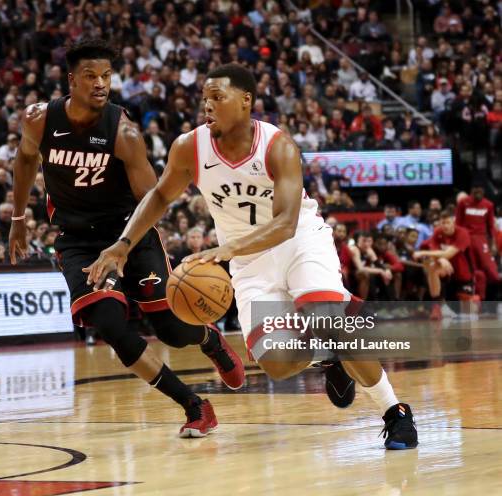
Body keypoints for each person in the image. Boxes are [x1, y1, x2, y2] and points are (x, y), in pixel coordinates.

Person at [90, 63, 418, 449]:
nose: (207, 106)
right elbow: (160, 196)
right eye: (205, 99)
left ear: (245, 101)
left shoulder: (277, 145)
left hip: (298, 242)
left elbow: (285, 222)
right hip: (250, 262)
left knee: (326, 314)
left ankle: (395, 412)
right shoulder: (189, 147)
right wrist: (123, 244)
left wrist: (226, 248)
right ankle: (331, 354)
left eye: (217, 97)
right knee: (276, 363)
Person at [8, 38, 245, 438]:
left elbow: (155, 200)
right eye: (90, 76)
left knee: (172, 329)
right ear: (71, 80)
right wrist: (18, 217)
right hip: (79, 241)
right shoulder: (39, 120)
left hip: (130, 236)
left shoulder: (125, 134)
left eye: (107, 75)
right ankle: (194, 405)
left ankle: (209, 338)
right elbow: (27, 158)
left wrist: (123, 248)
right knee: (112, 329)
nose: (101, 83)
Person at [414, 210, 475, 320]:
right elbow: (434, 252)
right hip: (447, 271)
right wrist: (442, 259)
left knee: (468, 315)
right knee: (432, 267)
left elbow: (447, 254)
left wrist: (424, 253)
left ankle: (475, 301)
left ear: (453, 222)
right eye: (443, 223)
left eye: (448, 222)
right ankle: (438, 306)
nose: (445, 226)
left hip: (464, 274)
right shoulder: (438, 232)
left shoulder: (462, 233)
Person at [455, 186, 499, 300]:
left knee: (492, 272)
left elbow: (490, 226)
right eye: (475, 190)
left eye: (480, 190)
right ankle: (477, 300)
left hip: (481, 239)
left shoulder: (488, 205)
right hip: (466, 239)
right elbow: (458, 223)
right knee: (472, 272)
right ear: (471, 191)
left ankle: (491, 297)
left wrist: (493, 244)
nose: (478, 192)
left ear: (483, 191)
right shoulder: (463, 203)